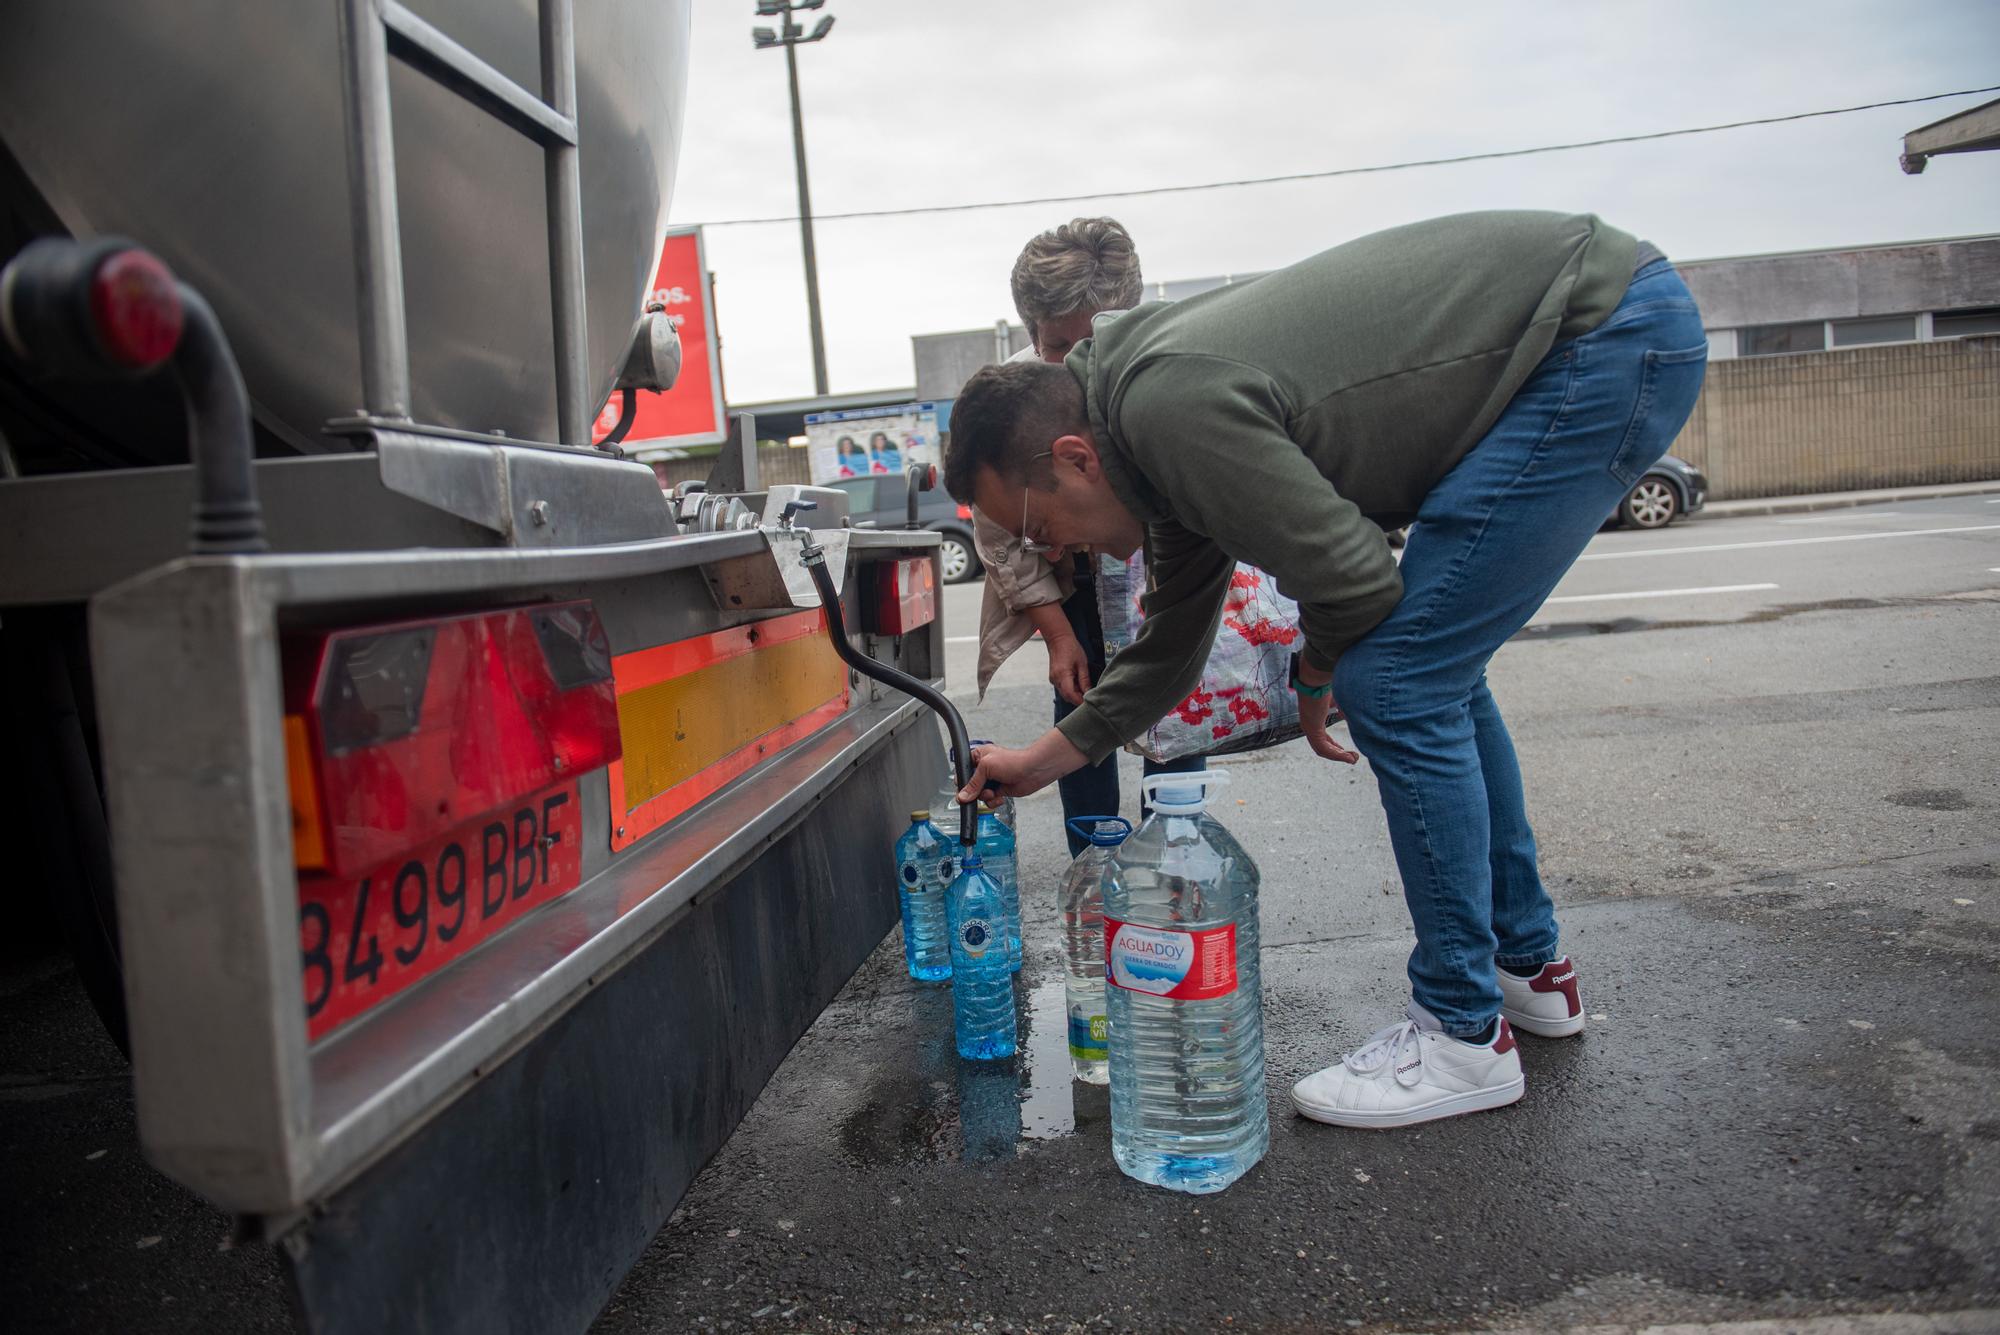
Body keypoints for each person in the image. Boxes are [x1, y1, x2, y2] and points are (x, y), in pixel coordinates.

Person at [944, 210, 1704, 1130]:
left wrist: (1318, 673)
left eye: (1037, 526)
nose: (1051, 551)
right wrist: (1041, 759)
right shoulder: (1146, 442)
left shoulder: (1164, 406)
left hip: (1596, 334)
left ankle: (1462, 1035)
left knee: (1399, 681)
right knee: (1437, 673)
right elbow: (1172, 640)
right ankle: (1526, 968)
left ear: (1075, 457)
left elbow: (1352, 578)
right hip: (1605, 321)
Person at [966, 217, 1203, 858]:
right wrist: (1059, 633)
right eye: (1055, 344)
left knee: (1173, 706)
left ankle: (1176, 855)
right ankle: (1092, 868)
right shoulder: (1012, 401)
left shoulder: (1161, 378)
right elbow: (1002, 538)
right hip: (1070, 587)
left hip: (1159, 578)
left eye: (1095, 337)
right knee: (1078, 702)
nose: (1077, 361)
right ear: (1028, 331)